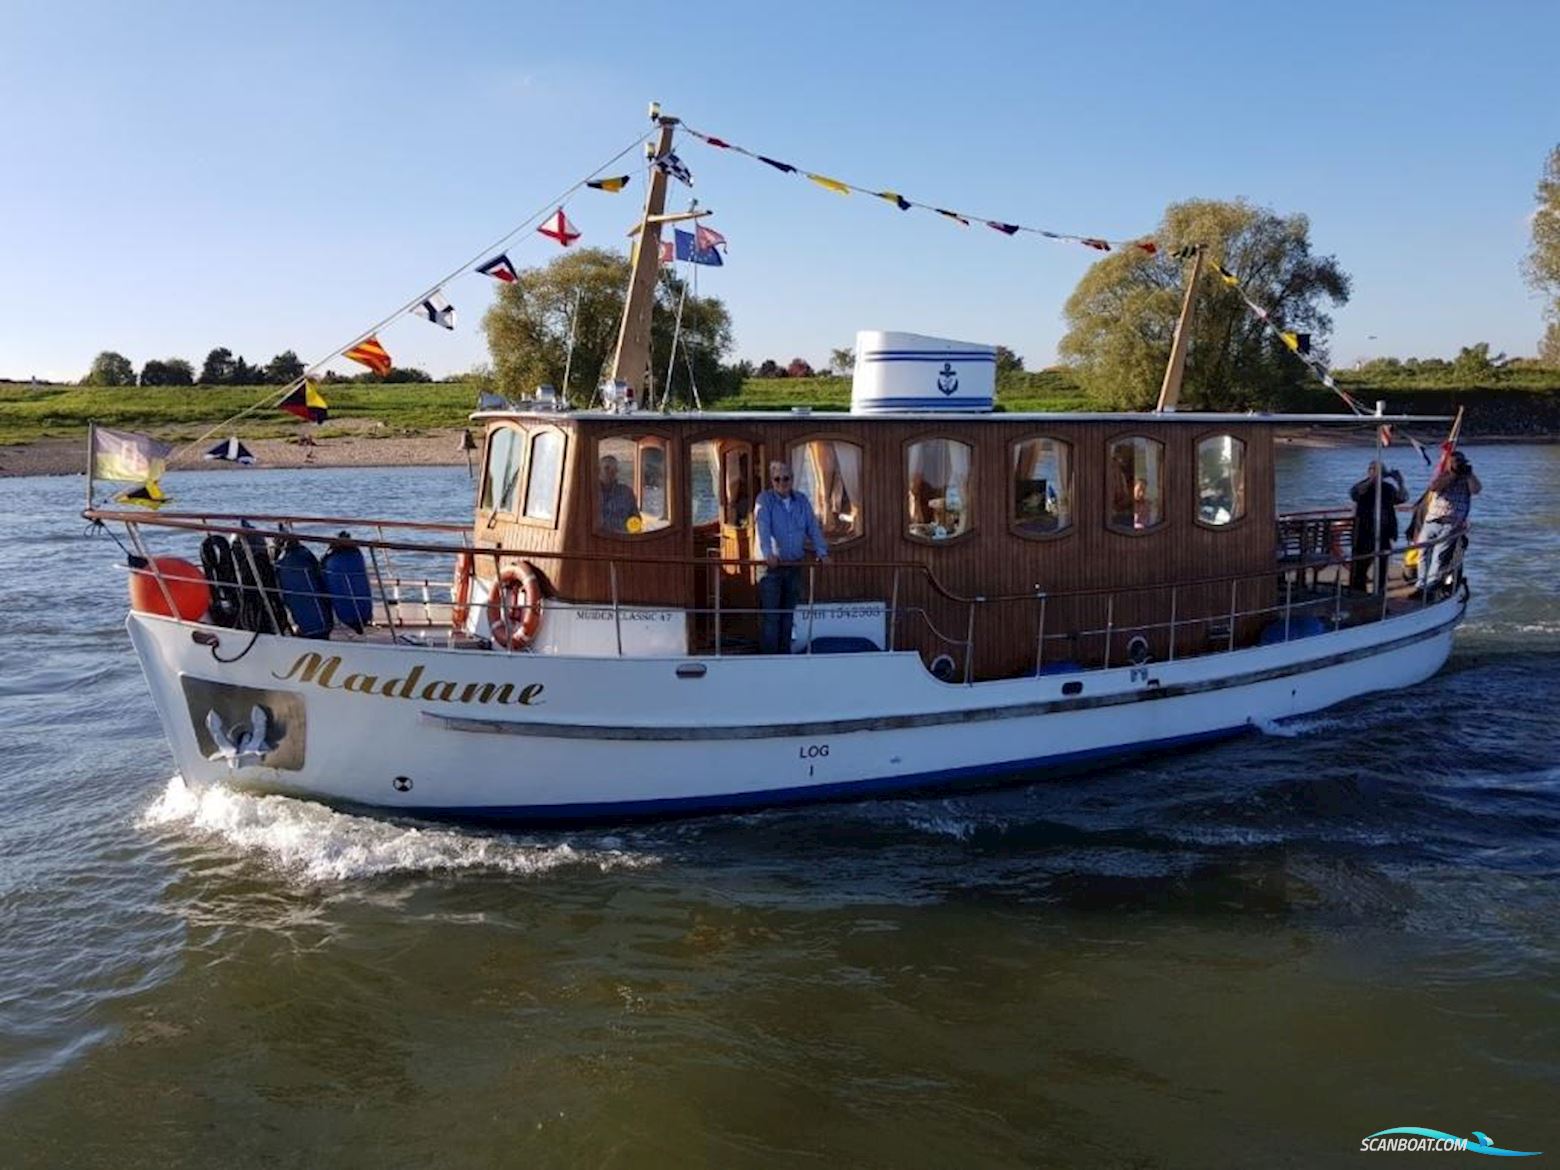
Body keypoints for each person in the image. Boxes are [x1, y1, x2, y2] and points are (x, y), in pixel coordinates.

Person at [754, 460, 829, 654]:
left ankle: (785, 658)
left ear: (792, 479)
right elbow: (763, 529)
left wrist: (822, 552)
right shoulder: (764, 500)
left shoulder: (802, 501)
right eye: (777, 479)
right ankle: (769, 661)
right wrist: (768, 553)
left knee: (788, 615)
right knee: (771, 617)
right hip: (770, 569)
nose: (781, 483)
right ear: (772, 480)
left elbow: (812, 527)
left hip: (794, 566)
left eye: (785, 478)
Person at [1417, 449, 1481, 593]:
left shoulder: (1467, 477)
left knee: (1439, 555)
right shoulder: (1443, 476)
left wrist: (1469, 474)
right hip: (1432, 520)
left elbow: (1476, 489)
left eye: (1459, 462)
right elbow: (1434, 487)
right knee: (1422, 552)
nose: (1457, 465)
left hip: (1452, 523)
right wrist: (1452, 474)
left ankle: (1429, 585)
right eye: (1454, 462)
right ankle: (1421, 583)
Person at [1348, 461, 1406, 594]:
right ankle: (1358, 593)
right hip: (1364, 532)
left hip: (1384, 532)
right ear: (1369, 471)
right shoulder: (1362, 486)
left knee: (1382, 566)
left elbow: (1402, 498)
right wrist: (1373, 480)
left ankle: (1379, 592)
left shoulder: (1387, 488)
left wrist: (1400, 482)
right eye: (1374, 470)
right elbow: (1354, 495)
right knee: (1360, 567)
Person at [598, 455, 639, 533]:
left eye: (614, 470)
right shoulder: (590, 493)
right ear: (599, 470)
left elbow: (635, 519)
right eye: (607, 468)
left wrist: (632, 535)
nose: (611, 472)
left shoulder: (627, 493)